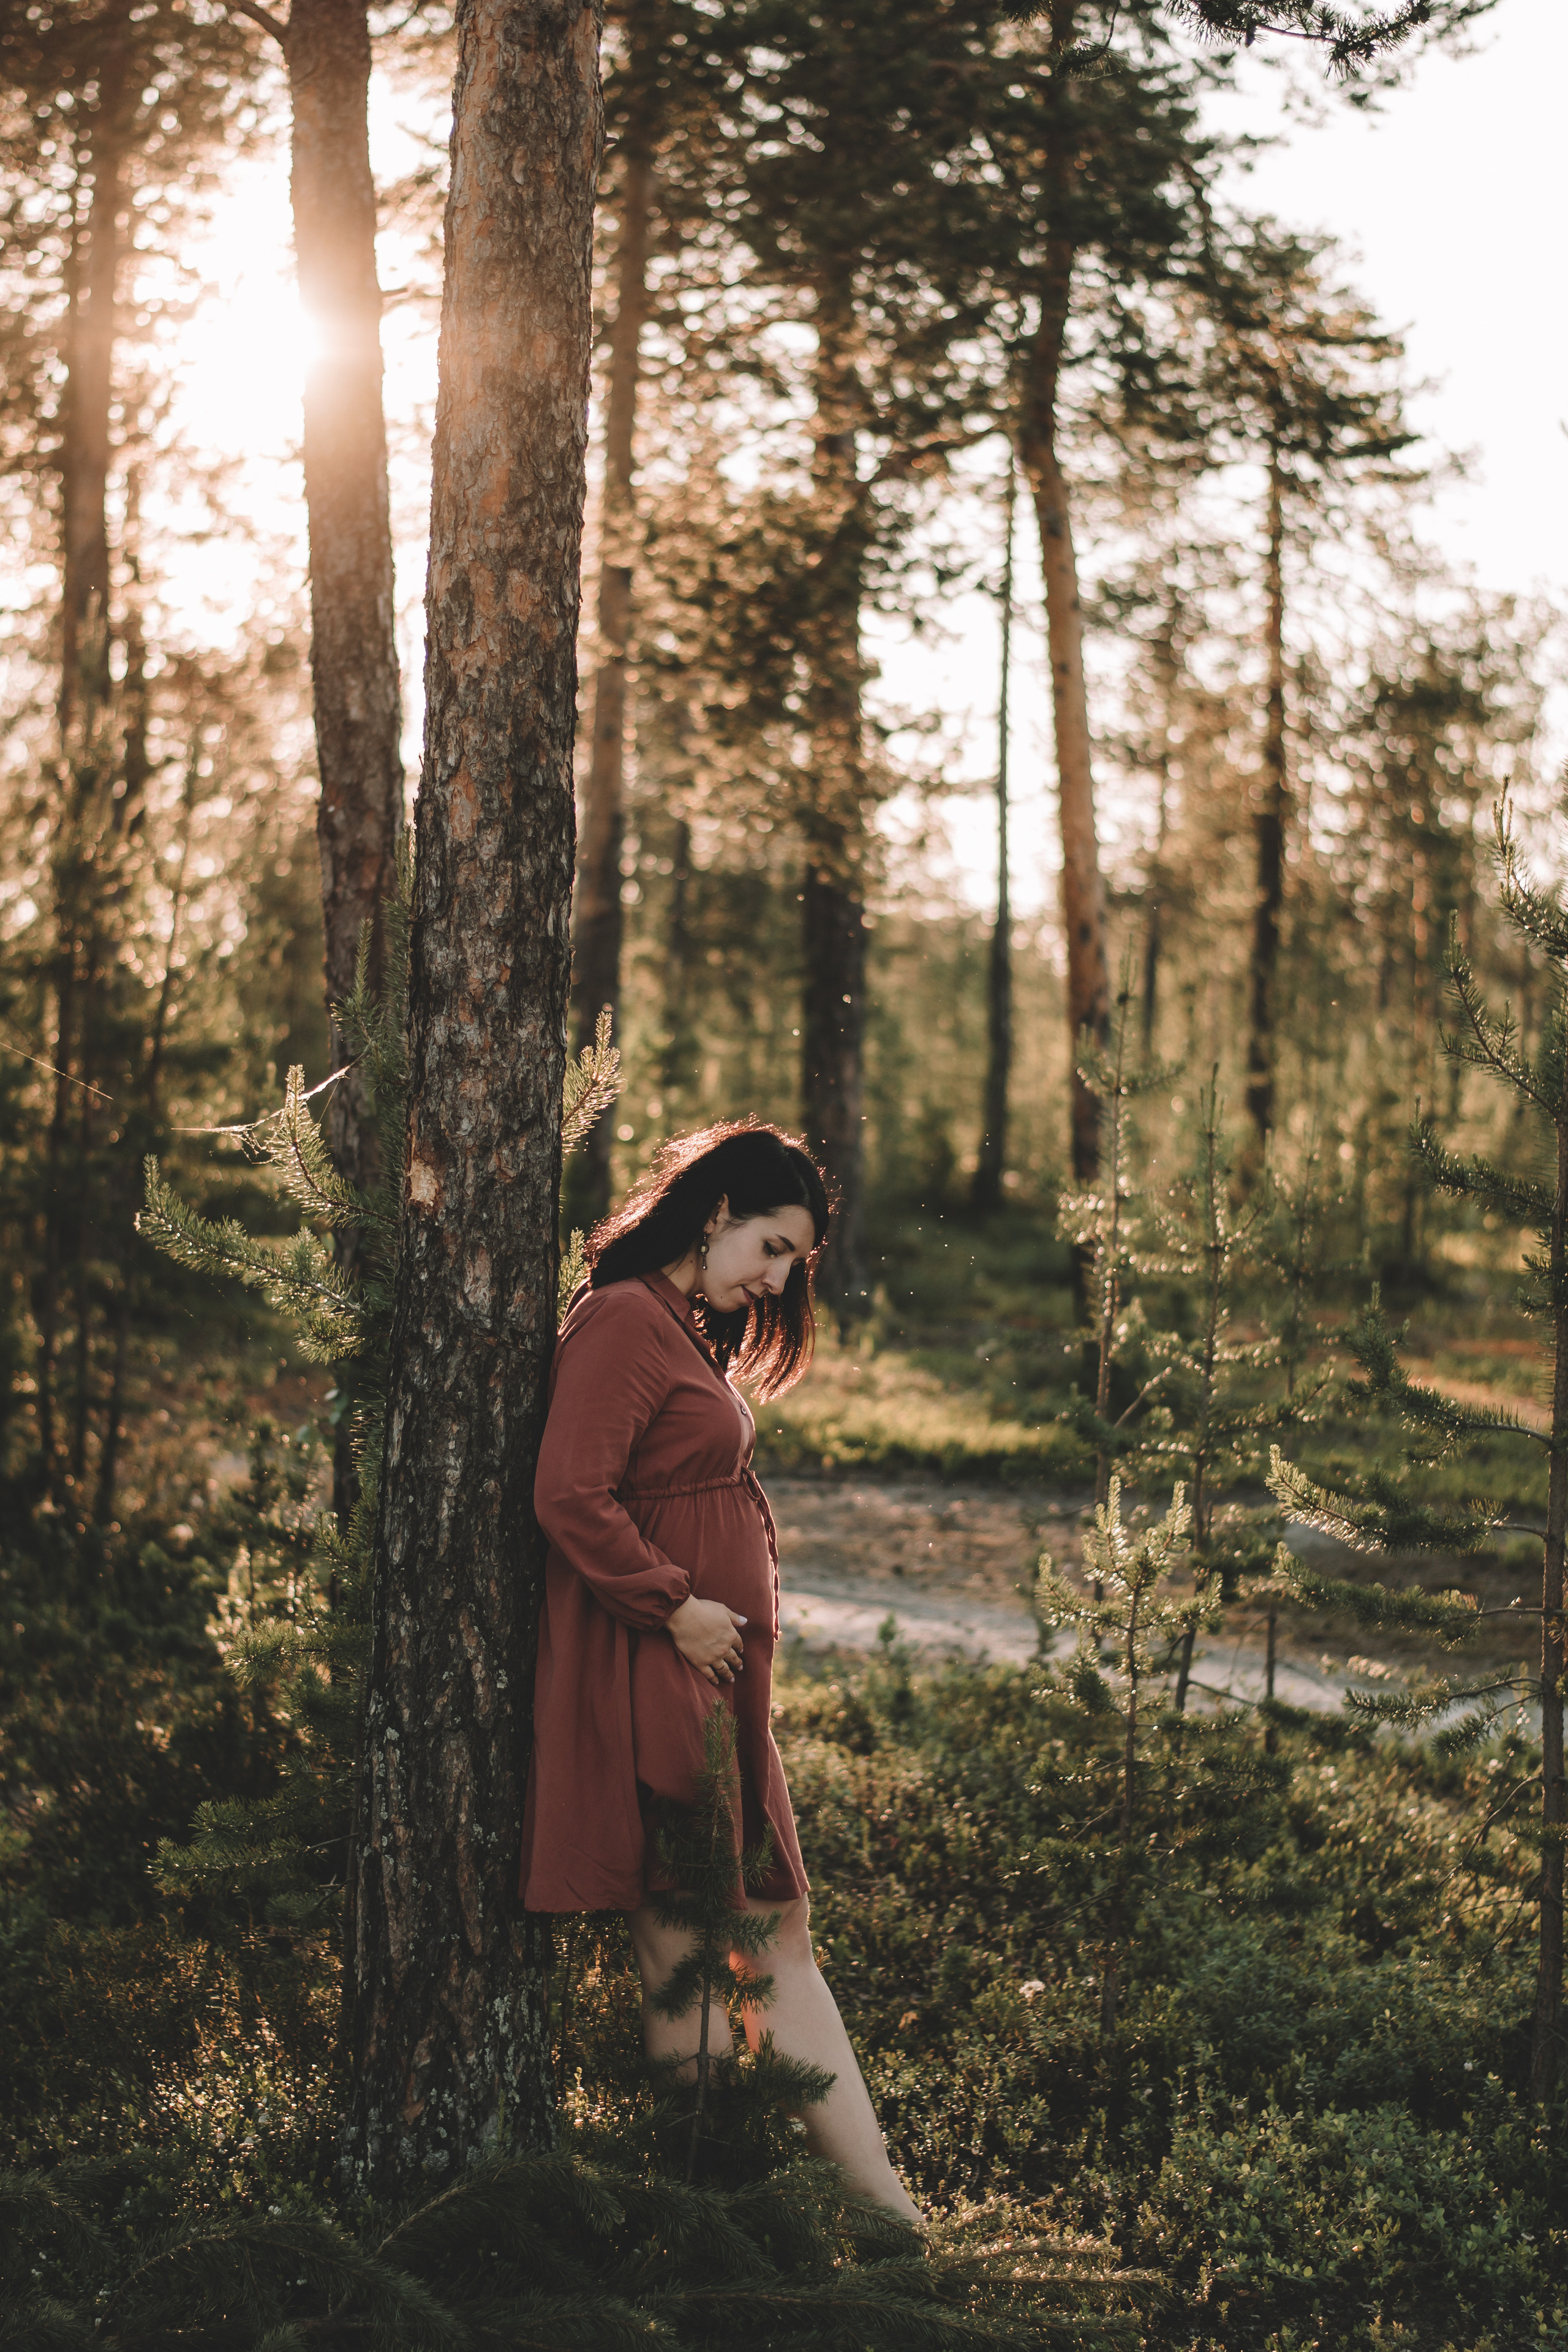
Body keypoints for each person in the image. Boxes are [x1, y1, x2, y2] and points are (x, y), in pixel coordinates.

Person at [520, 1120, 918, 2222]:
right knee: (732, 1933)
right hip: (654, 1664)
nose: (782, 1279)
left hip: (689, 1663)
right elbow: (568, 1494)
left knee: (706, 1936)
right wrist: (677, 1605)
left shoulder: (674, 1325)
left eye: (796, 1260)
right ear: (715, 1215)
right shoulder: (621, 1321)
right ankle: (884, 2213)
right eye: (776, 1248)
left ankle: (723, 2198)